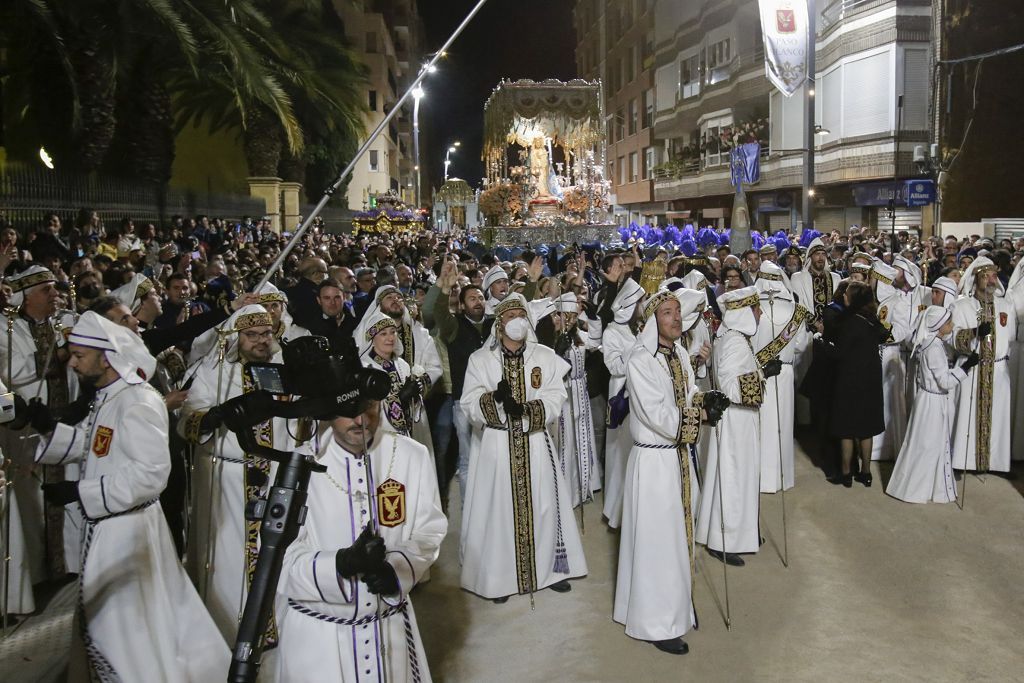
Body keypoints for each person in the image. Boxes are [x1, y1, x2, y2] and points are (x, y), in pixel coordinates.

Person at [34, 312, 229, 680]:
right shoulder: (109, 396)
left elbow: (151, 474)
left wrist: (81, 490)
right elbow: (99, 447)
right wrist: (48, 428)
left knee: (127, 627)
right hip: (110, 526)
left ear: (105, 356)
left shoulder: (137, 401)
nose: (72, 363)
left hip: (130, 529)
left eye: (79, 355)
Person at [275, 401, 446, 682]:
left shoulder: (409, 455)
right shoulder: (296, 466)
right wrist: (340, 564)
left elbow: (429, 530)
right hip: (320, 641)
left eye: (368, 407)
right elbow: (278, 562)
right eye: (347, 409)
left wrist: (397, 569)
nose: (360, 419)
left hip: (389, 630)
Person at [613, 288, 728, 655]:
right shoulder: (640, 360)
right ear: (651, 321)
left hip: (677, 458)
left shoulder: (678, 352)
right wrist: (702, 416)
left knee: (678, 539)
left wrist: (704, 399)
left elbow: (686, 392)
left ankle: (676, 607)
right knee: (657, 544)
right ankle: (655, 622)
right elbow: (658, 415)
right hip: (655, 462)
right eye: (667, 312)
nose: (676, 318)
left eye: (678, 311)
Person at [178, 304, 297, 645]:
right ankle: (230, 628)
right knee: (229, 558)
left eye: (266, 334)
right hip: (228, 480)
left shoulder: (283, 368)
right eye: (253, 335)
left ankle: (272, 627)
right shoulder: (214, 372)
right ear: (236, 339)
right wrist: (215, 416)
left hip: (274, 478)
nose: (262, 341)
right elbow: (186, 420)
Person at [459, 294, 586, 602]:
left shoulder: (544, 355)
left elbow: (557, 395)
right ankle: (497, 578)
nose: (516, 317)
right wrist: (496, 402)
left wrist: (529, 409)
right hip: (497, 446)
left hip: (535, 440)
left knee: (545, 505)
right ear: (499, 322)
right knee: (498, 510)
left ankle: (549, 571)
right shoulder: (480, 360)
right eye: (510, 313)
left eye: (521, 312)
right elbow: (468, 403)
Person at [0, 266, 80, 591]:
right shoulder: (6, 329)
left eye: (53, 288)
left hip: (65, 422)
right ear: (27, 297)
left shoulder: (65, 323)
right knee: (33, 501)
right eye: (46, 290)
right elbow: (13, 371)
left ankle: (68, 565)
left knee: (68, 494)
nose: (54, 295)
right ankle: (38, 574)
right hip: (27, 430)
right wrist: (59, 353)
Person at [696, 286, 778, 566]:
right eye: (755, 309)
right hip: (734, 419)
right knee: (732, 476)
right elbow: (730, 386)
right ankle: (724, 539)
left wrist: (759, 372)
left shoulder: (736, 338)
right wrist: (763, 375)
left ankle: (743, 531)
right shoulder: (733, 341)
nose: (760, 313)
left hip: (743, 419)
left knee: (742, 476)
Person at [887, 306, 976, 503]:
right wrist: (967, 367)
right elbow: (945, 382)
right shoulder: (934, 348)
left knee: (928, 444)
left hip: (927, 400)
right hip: (932, 402)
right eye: (948, 322)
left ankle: (928, 488)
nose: (952, 325)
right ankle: (916, 489)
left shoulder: (929, 343)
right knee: (927, 446)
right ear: (938, 326)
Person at [430, 261, 494, 507]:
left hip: (492, 400)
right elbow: (439, 315)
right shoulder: (455, 326)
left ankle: (490, 505)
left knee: (492, 456)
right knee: (467, 459)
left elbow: (519, 313)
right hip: (463, 401)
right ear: (463, 304)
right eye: (472, 298)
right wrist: (445, 290)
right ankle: (470, 508)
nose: (477, 301)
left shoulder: (492, 326)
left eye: (480, 297)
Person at [950, 257, 1019, 473]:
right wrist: (973, 334)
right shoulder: (961, 305)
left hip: (998, 370)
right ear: (976, 279)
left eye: (993, 276)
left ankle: (996, 463)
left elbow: (1012, 337)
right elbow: (953, 338)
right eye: (985, 276)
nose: (990, 280)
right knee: (966, 417)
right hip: (972, 368)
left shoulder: (1006, 305)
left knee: (998, 417)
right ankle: (964, 461)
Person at [753, 262, 811, 493]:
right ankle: (782, 477)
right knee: (784, 424)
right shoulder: (796, 311)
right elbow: (800, 345)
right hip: (785, 373)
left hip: (759, 372)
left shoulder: (753, 308)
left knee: (760, 425)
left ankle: (760, 478)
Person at [825, 281, 890, 487]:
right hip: (870, 380)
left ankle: (845, 474)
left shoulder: (849, 322)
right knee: (865, 428)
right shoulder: (872, 321)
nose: (844, 296)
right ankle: (866, 473)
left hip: (849, 380)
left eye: (847, 294)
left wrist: (823, 345)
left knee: (846, 428)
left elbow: (840, 354)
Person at [600, 278, 645, 529]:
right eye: (638, 303)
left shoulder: (633, 329)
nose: (641, 307)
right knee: (619, 449)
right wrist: (638, 346)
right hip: (619, 393)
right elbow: (615, 366)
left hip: (635, 391)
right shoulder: (611, 332)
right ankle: (615, 510)